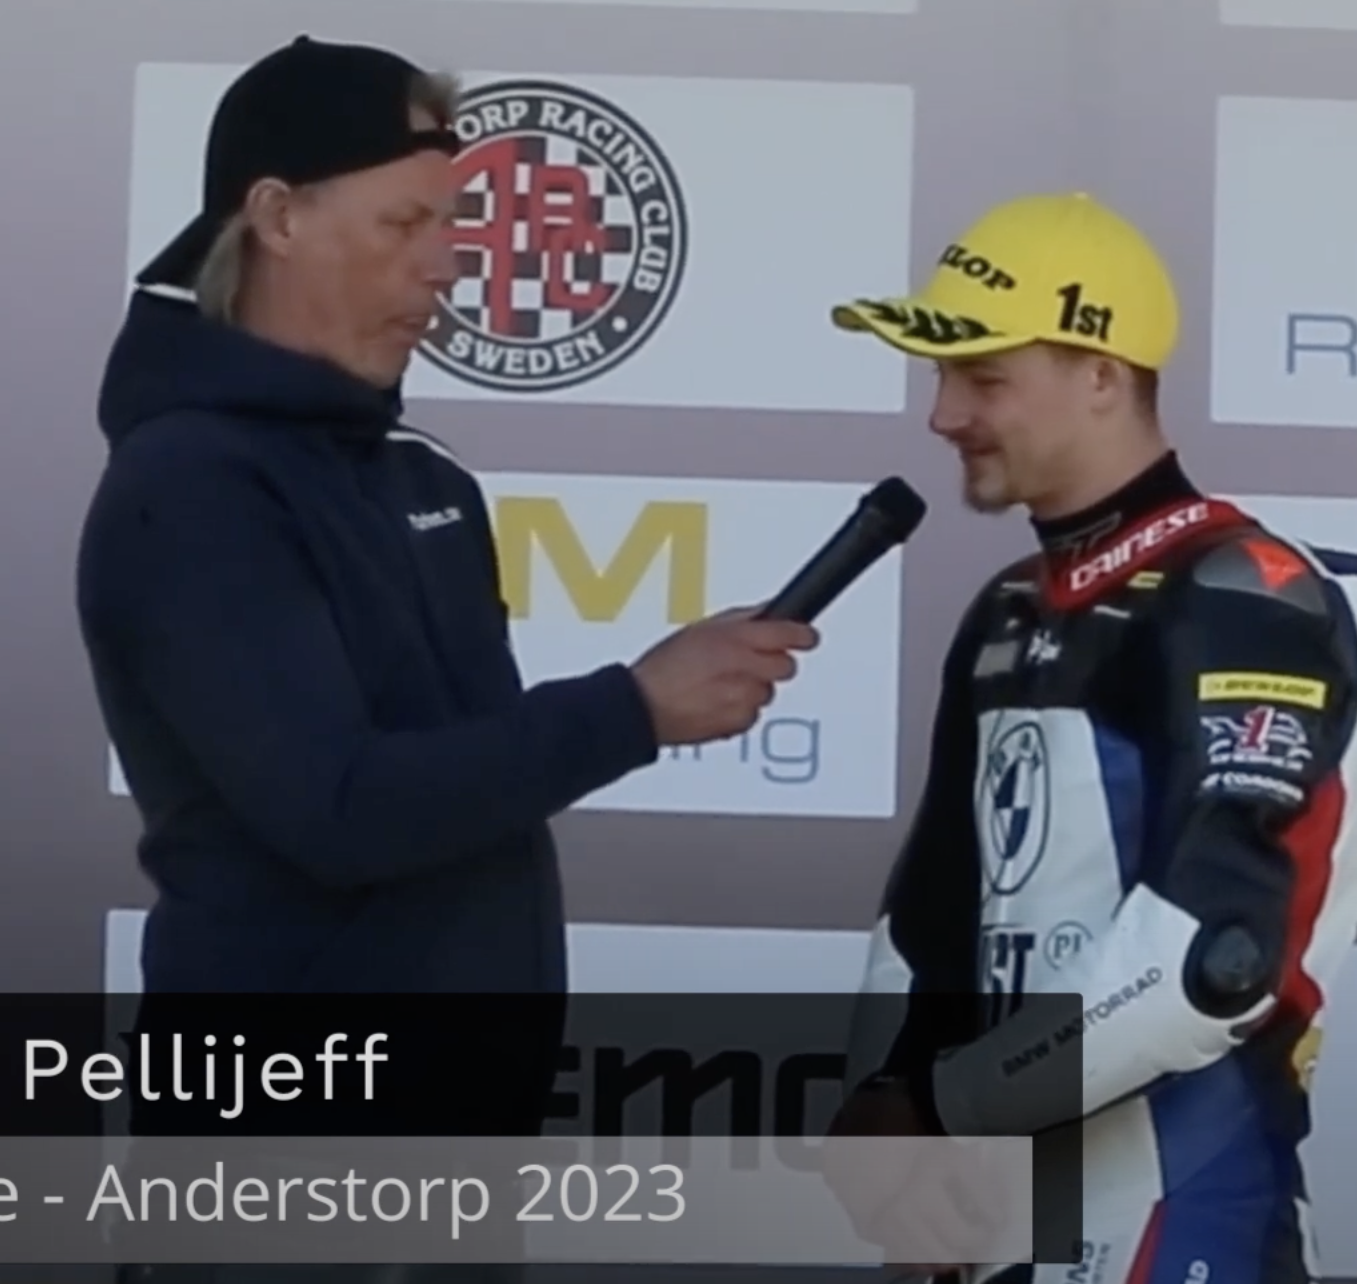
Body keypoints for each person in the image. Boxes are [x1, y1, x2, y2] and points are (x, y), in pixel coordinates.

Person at [74, 32, 816, 1135]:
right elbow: (339, 812)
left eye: (453, 223)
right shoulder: (187, 485)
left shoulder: (425, 479)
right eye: (403, 223)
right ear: (277, 218)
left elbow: (460, 797)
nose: (447, 265)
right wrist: (634, 709)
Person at [818, 193, 1357, 1284]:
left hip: (1181, 1224)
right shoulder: (1009, 608)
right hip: (989, 1224)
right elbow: (929, 918)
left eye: (983, 377)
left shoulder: (1243, 596)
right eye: (941, 376)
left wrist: (938, 1113)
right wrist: (881, 1124)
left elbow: (1210, 962)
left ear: (1100, 374)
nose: (943, 414)